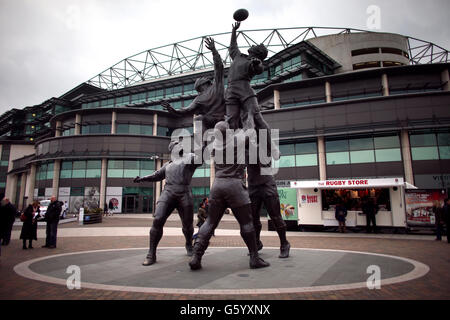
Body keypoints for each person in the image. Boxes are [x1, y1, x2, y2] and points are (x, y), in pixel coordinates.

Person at [189, 121, 270, 270]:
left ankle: (196, 256)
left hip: (217, 186)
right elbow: (250, 130)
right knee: (246, 223)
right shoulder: (237, 140)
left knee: (210, 222)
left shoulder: (213, 146)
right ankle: (254, 258)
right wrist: (249, 117)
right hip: (234, 186)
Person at [134, 139, 200, 266]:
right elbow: (156, 175)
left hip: (184, 192)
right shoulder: (167, 165)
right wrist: (142, 178)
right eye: (176, 144)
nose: (180, 145)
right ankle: (151, 253)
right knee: (158, 220)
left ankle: (188, 243)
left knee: (188, 225)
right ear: (171, 149)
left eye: (180, 144)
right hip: (168, 192)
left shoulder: (189, 158)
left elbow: (200, 159)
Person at [225, 22, 279, 160]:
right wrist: (233, 31)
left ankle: (272, 147)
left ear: (258, 53)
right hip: (231, 91)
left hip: (245, 91)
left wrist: (257, 63)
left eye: (256, 46)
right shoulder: (238, 56)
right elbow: (232, 46)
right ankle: (233, 150)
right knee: (231, 122)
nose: (253, 45)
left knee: (258, 118)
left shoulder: (255, 61)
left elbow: (260, 68)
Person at [162, 37, 226, 151]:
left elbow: (185, 111)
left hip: (218, 121)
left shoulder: (199, 99)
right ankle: (203, 144)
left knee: (198, 119)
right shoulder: (216, 86)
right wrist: (214, 51)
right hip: (224, 119)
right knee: (200, 119)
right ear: (204, 83)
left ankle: (202, 145)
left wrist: (172, 109)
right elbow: (219, 67)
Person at [248, 152, 290, 259]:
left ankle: (284, 244)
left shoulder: (264, 140)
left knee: (275, 216)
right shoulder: (244, 143)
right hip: (253, 185)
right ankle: (256, 243)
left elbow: (277, 154)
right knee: (253, 218)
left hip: (267, 183)